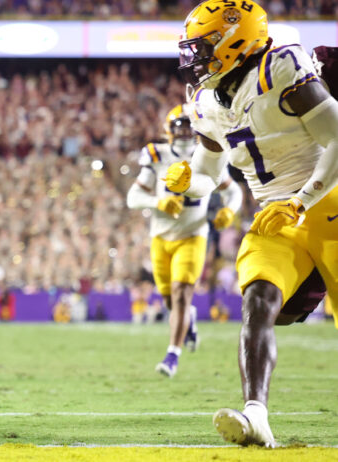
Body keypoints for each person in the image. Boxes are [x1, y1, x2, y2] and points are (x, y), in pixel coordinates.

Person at [166, 0, 338, 447]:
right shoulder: (205, 101)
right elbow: (208, 174)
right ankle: (256, 415)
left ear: (234, 41)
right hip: (275, 213)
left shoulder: (280, 67)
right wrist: (189, 181)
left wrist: (301, 201)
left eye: (203, 47)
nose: (194, 58)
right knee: (259, 298)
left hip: (327, 199)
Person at [127, 104, 242, 377]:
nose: (186, 131)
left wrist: (228, 211)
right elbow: (133, 198)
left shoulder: (207, 156)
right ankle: (188, 320)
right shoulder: (157, 155)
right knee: (170, 299)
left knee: (181, 292)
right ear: (169, 129)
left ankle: (172, 355)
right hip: (161, 236)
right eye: (180, 126)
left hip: (193, 234)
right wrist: (159, 202)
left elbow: (233, 191)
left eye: (190, 125)